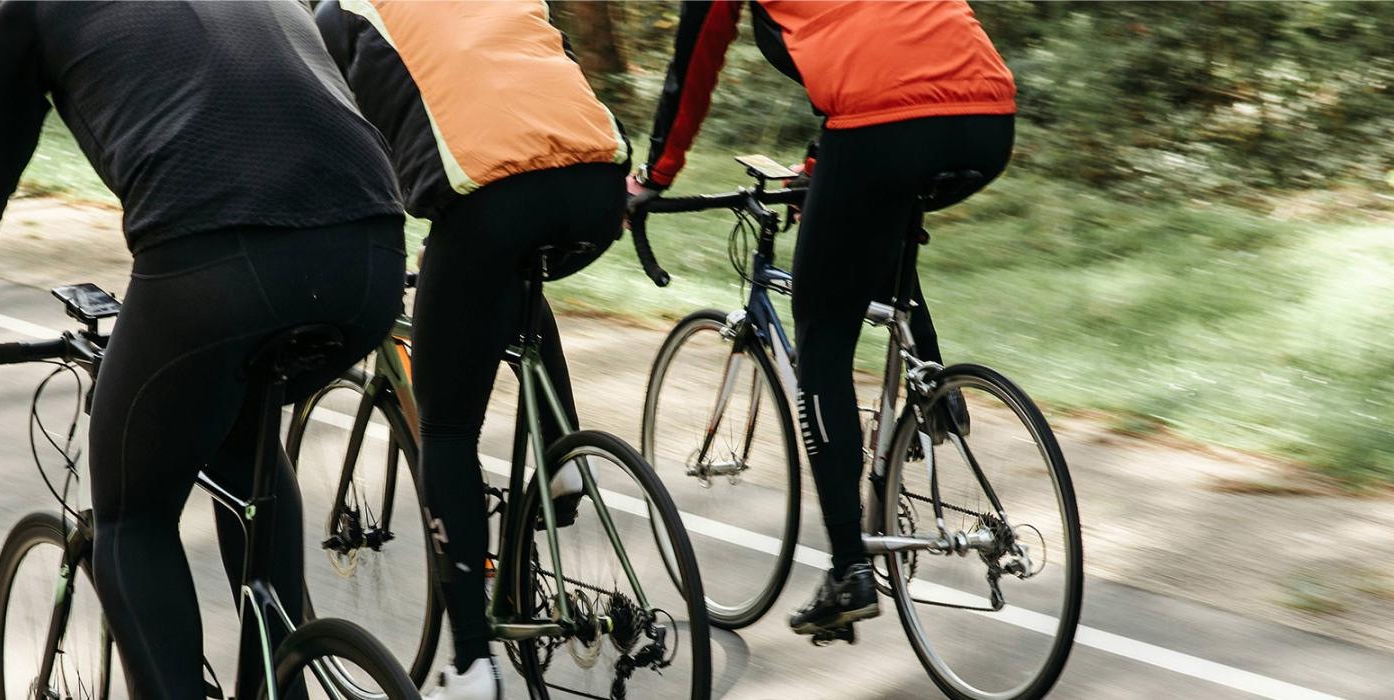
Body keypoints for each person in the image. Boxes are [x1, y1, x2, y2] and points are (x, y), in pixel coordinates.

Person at [0, 2, 405, 697]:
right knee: (242, 438)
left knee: (131, 516)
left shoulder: (33, 13)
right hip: (371, 258)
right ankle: (281, 676)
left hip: (215, 264)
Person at [627, 0, 1016, 636]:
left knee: (822, 338)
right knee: (876, 220)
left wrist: (656, 175)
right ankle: (932, 385)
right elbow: (883, 38)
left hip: (883, 122)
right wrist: (823, 168)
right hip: (988, 110)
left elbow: (694, 59)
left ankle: (848, 571)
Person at [314, 2, 629, 697]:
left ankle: (472, 665)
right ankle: (559, 457)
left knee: (448, 429)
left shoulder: (342, 15)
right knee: (508, 274)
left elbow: (326, 143)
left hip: (490, 197)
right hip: (600, 184)